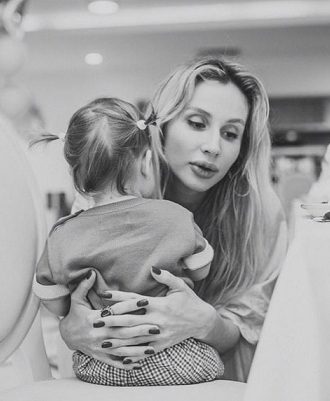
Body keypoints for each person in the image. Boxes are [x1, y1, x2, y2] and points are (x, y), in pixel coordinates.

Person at [50, 57, 287, 383]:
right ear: (160, 127)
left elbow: (249, 331)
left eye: (231, 133)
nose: (213, 147)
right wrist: (70, 328)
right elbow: (67, 303)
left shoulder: (260, 213)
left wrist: (205, 323)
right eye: (197, 123)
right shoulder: (104, 192)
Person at [32, 97, 225, 386]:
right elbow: (201, 269)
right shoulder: (175, 216)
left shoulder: (62, 234)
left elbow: (55, 304)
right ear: (146, 161)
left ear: (73, 173)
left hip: (102, 365)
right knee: (215, 365)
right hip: (176, 359)